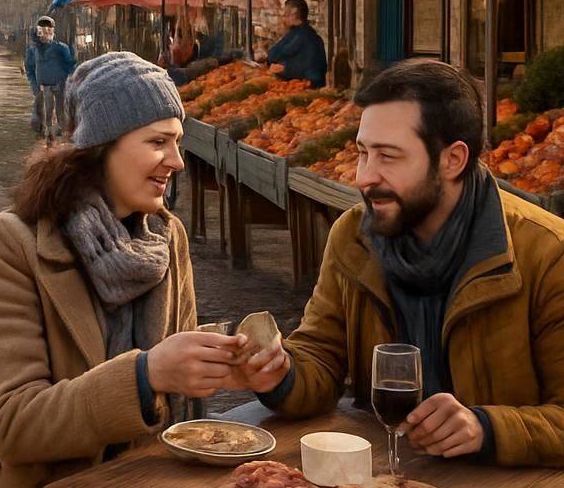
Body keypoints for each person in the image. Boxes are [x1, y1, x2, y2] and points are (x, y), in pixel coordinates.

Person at [0, 52, 246, 488]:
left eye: (178, 143)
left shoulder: (165, 239)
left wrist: (226, 364)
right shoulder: (11, 243)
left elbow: (178, 412)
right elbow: (14, 425)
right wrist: (147, 376)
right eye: (158, 142)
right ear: (102, 147)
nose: (176, 161)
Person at [237, 58, 564, 466]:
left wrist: (486, 428)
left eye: (388, 157)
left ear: (453, 160)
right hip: (385, 479)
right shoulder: (353, 235)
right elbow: (320, 357)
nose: (364, 177)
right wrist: (281, 374)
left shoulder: (548, 253)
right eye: (362, 153)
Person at [24, 16, 76, 140]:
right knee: (46, 112)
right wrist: (35, 86)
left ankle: (64, 134)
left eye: (49, 29)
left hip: (60, 85)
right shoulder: (33, 50)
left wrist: (72, 79)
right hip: (43, 87)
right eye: (43, 29)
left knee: (61, 111)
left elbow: (70, 66)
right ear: (38, 30)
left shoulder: (61, 48)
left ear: (53, 31)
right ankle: (48, 135)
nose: (46, 32)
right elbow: (30, 69)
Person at [259, 0, 327, 88]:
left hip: (306, 88)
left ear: (294, 12)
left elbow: (312, 68)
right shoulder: (296, 32)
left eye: (285, 13)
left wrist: (284, 68)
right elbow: (274, 53)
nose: (283, 17)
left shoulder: (306, 36)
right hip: (294, 84)